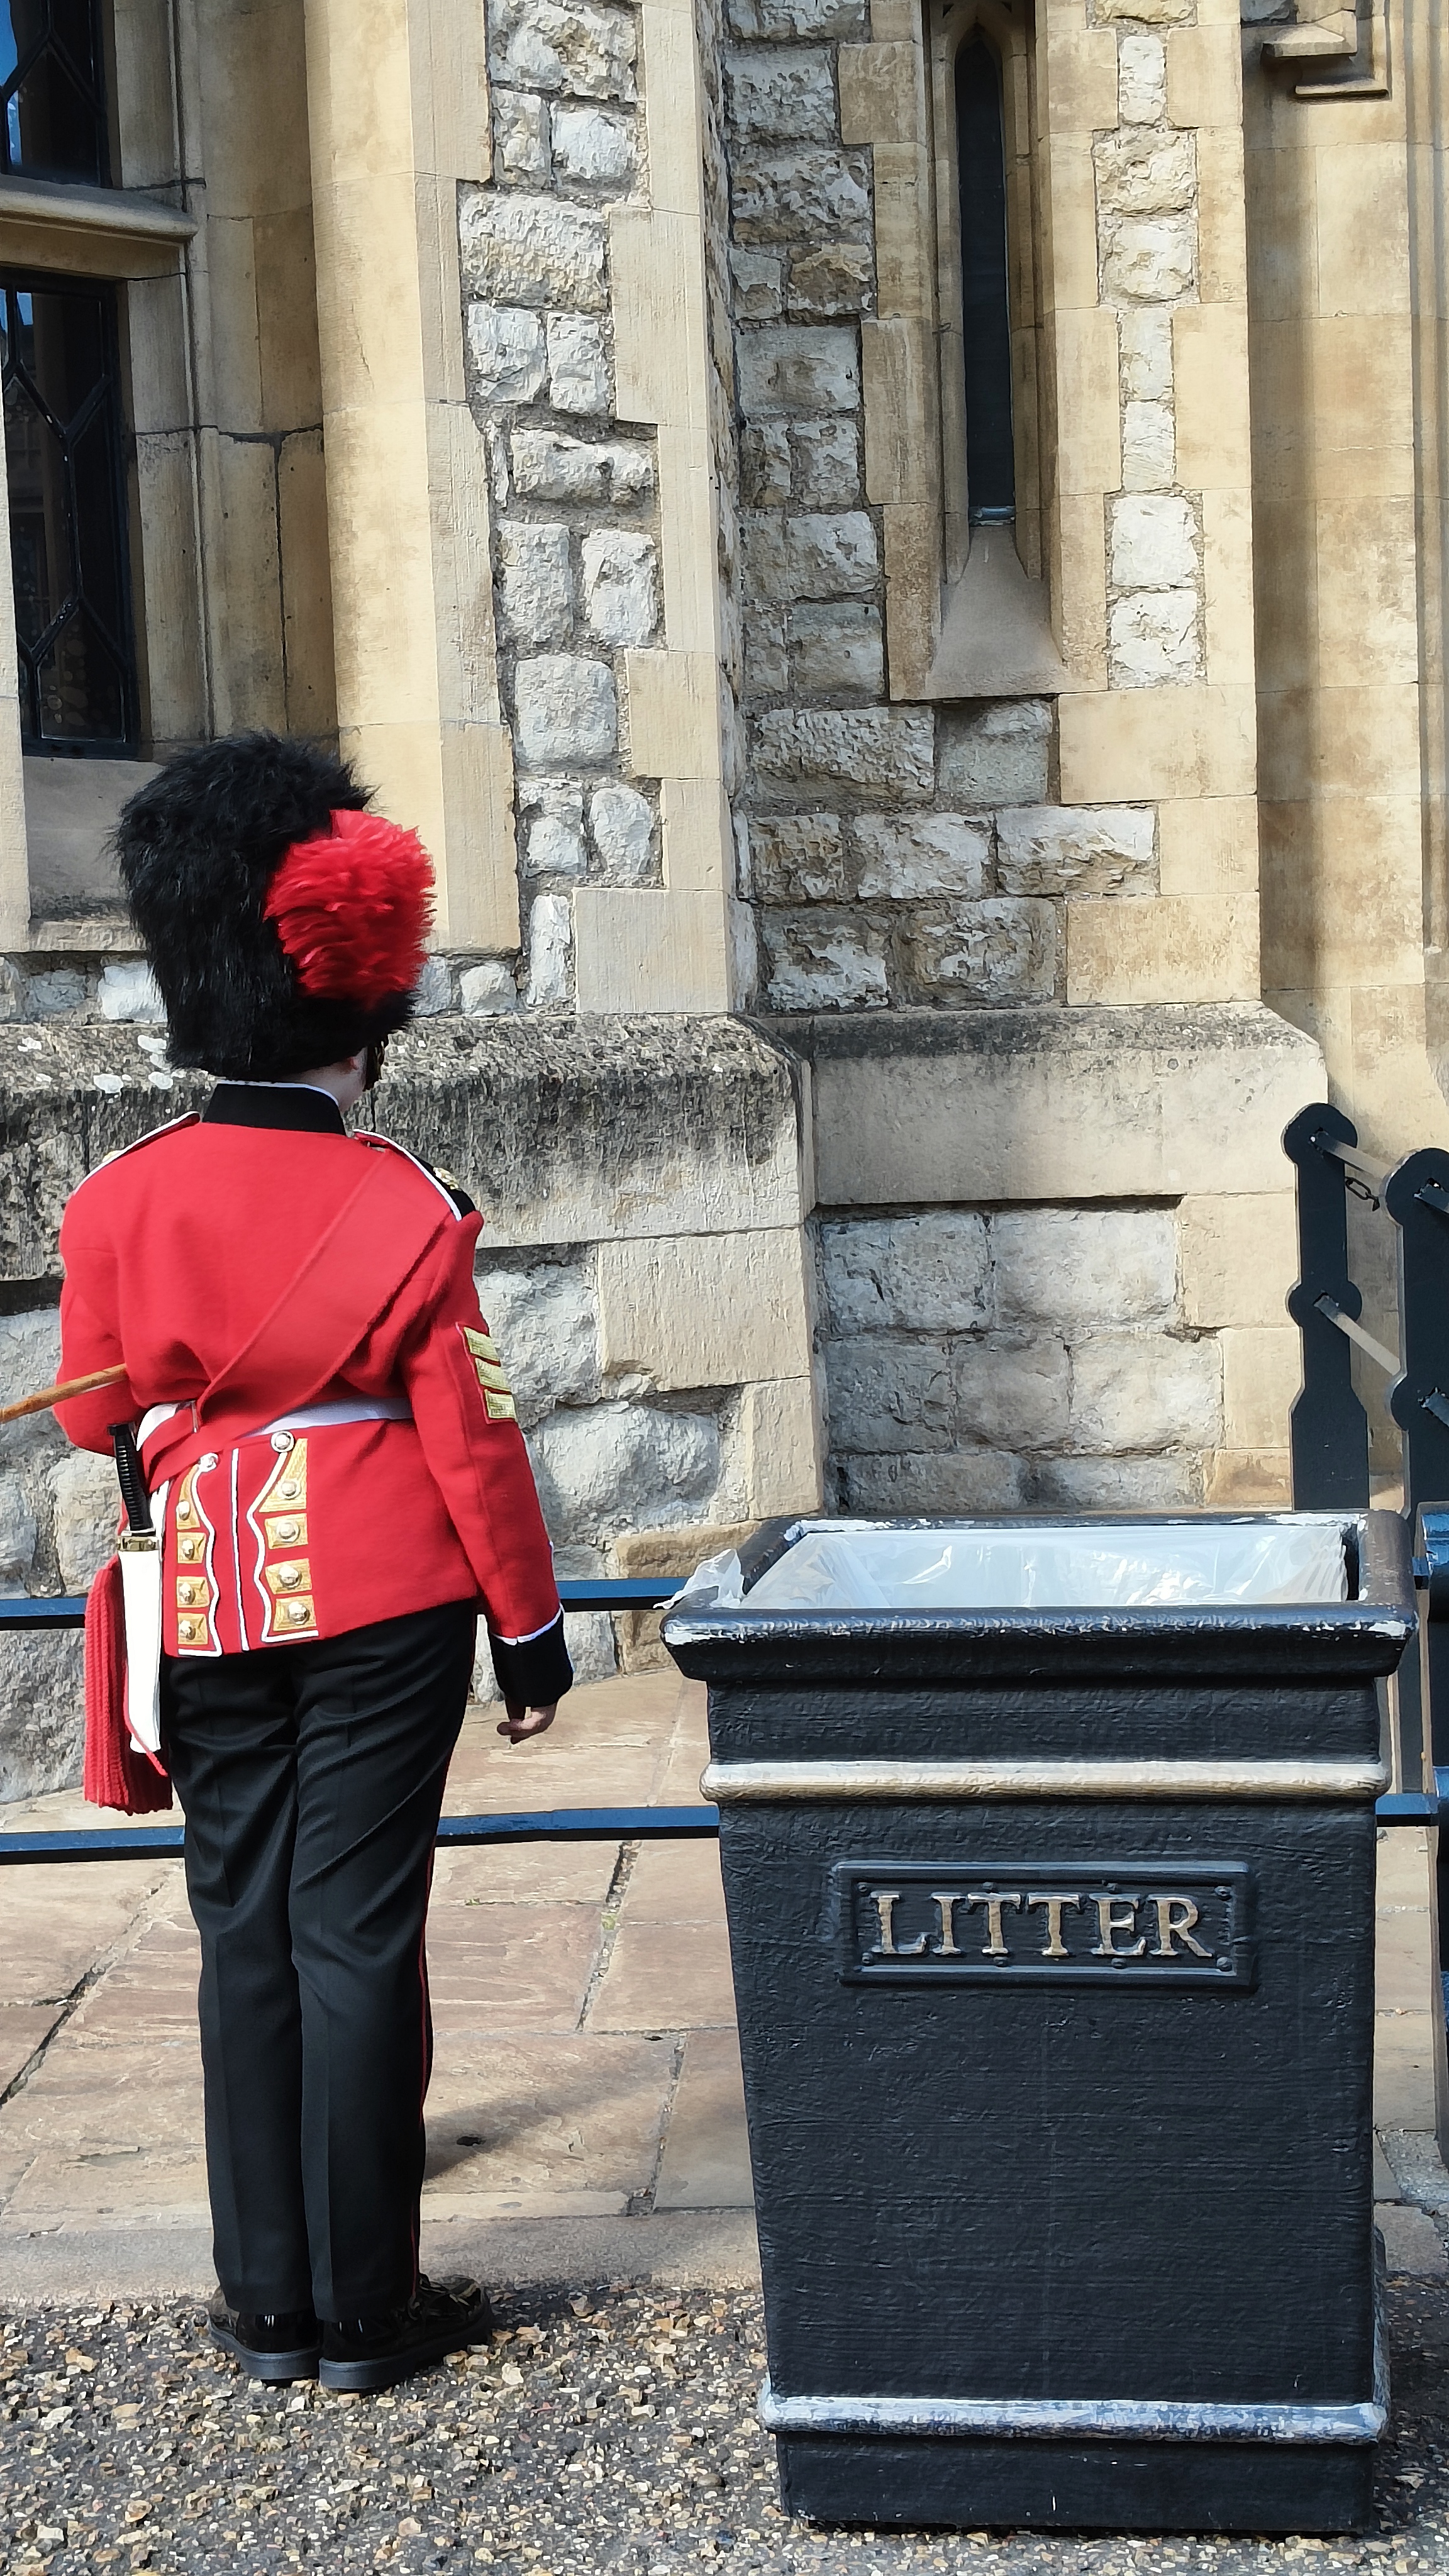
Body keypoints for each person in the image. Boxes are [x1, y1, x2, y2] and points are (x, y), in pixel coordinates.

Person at [55, 732, 572, 2394]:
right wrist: (531, 1630)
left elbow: (97, 1417)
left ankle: (266, 2307)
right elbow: (471, 1440)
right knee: (355, 1933)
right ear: (359, 1012)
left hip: (207, 1594)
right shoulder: (408, 1203)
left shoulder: (117, 1199)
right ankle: (368, 2314)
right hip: (386, 1597)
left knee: (243, 1933)